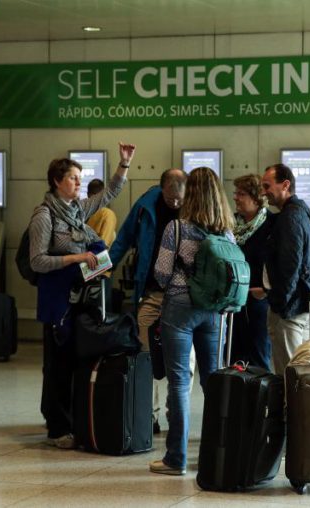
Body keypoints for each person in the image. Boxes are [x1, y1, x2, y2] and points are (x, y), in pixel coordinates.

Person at [29, 142, 135, 449]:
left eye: (80, 177)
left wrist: (124, 164)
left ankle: (73, 419)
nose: (79, 182)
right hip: (57, 302)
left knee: (76, 360)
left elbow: (109, 194)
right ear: (57, 182)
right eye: (74, 178)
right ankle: (57, 425)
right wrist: (76, 259)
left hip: (80, 298)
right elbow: (38, 261)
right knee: (57, 364)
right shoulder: (44, 216)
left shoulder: (77, 210)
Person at [149, 166, 236, 476]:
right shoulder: (226, 230)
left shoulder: (177, 228)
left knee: (179, 382)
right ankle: (214, 454)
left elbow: (160, 274)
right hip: (214, 311)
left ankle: (176, 458)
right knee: (212, 381)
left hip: (180, 309)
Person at [109, 168, 194, 435]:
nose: (176, 204)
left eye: (180, 199)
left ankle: (177, 414)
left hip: (184, 298)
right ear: (162, 190)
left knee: (182, 361)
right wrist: (101, 269)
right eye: (171, 200)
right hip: (152, 294)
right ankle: (149, 415)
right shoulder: (146, 206)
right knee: (145, 356)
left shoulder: (194, 206)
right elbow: (122, 240)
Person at [261, 164, 310, 375]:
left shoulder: (289, 218)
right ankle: (299, 407)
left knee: (289, 372)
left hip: (291, 308)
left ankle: (291, 407)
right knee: (301, 366)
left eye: (267, 185)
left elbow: (291, 265)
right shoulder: (304, 212)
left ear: (285, 184)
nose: (263, 191)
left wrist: (280, 303)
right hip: (305, 301)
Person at [229, 174, 276, 370]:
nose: (235, 198)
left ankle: (262, 399)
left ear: (256, 198)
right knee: (233, 359)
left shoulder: (272, 224)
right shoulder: (230, 224)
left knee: (259, 357)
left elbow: (277, 262)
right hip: (233, 301)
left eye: (241, 193)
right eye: (235, 193)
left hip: (258, 302)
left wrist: (265, 290)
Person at [85, 178, 117, 247]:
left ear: (88, 194)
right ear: (103, 195)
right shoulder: (107, 214)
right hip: (96, 254)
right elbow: (103, 246)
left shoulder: (80, 212)